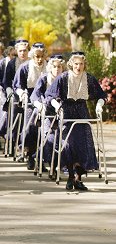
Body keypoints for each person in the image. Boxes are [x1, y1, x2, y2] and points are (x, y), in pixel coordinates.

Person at [45, 51, 106, 191]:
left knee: (83, 144)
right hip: (66, 111)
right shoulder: (63, 78)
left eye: (82, 64)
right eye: (76, 64)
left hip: (82, 111)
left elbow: (101, 94)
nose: (79, 67)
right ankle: (70, 176)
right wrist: (57, 105)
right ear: (71, 64)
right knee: (68, 145)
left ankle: (78, 178)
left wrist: (99, 104)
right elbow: (50, 95)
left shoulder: (89, 78)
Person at [13, 42, 47, 170]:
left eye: (41, 56)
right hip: (30, 99)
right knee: (30, 127)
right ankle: (30, 155)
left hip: (45, 99)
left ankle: (41, 157)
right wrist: (22, 93)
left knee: (44, 128)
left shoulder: (49, 67)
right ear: (32, 56)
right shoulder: (24, 67)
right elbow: (17, 86)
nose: (39, 59)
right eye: (36, 56)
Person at [30, 54, 66, 174]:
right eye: (54, 66)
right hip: (47, 113)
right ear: (50, 67)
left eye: (59, 67)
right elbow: (34, 96)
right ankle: (50, 166)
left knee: (63, 140)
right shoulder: (44, 79)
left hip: (62, 113)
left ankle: (57, 165)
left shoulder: (65, 80)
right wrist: (39, 104)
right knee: (49, 139)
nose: (57, 69)